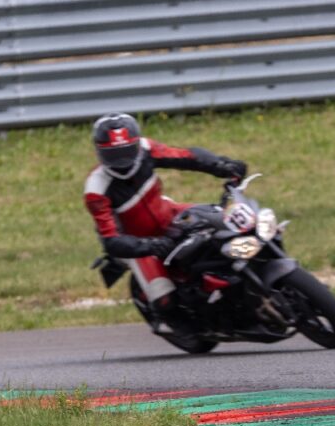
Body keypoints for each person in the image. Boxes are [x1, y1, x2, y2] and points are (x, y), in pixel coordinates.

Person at [84, 112, 247, 333]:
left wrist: (221, 165)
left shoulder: (146, 149)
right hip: (137, 242)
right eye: (114, 154)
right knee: (164, 298)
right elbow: (110, 240)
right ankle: (175, 324)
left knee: (225, 221)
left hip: (169, 214)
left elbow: (187, 157)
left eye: (126, 151)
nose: (122, 161)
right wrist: (150, 245)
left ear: (136, 144)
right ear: (99, 151)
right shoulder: (96, 189)